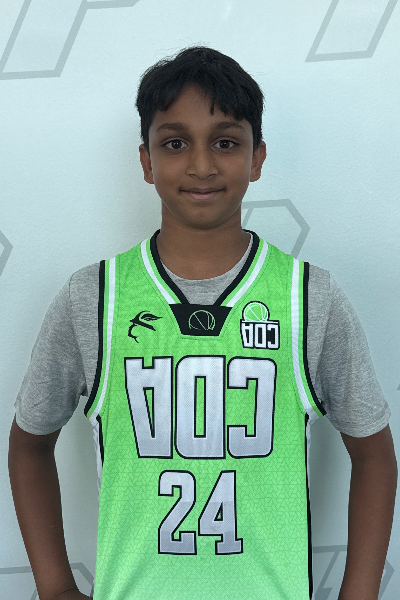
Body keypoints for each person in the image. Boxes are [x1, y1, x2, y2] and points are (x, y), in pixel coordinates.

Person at [8, 46, 397, 600]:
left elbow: (374, 454)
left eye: (225, 142)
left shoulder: (309, 297)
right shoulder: (93, 298)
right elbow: (28, 445)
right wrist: (54, 587)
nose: (201, 165)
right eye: (174, 143)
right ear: (145, 161)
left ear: (257, 157)